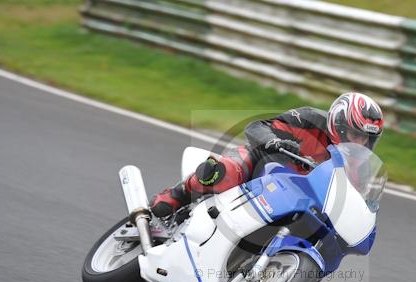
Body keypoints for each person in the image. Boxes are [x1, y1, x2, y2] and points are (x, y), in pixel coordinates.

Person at [150, 92, 384, 217]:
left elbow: (354, 204)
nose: (360, 142)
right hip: (262, 166)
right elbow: (257, 127)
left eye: (365, 138)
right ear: (340, 124)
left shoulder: (359, 167)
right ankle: (177, 194)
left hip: (296, 200)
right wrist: (275, 141)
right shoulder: (309, 120)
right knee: (225, 172)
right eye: (355, 134)